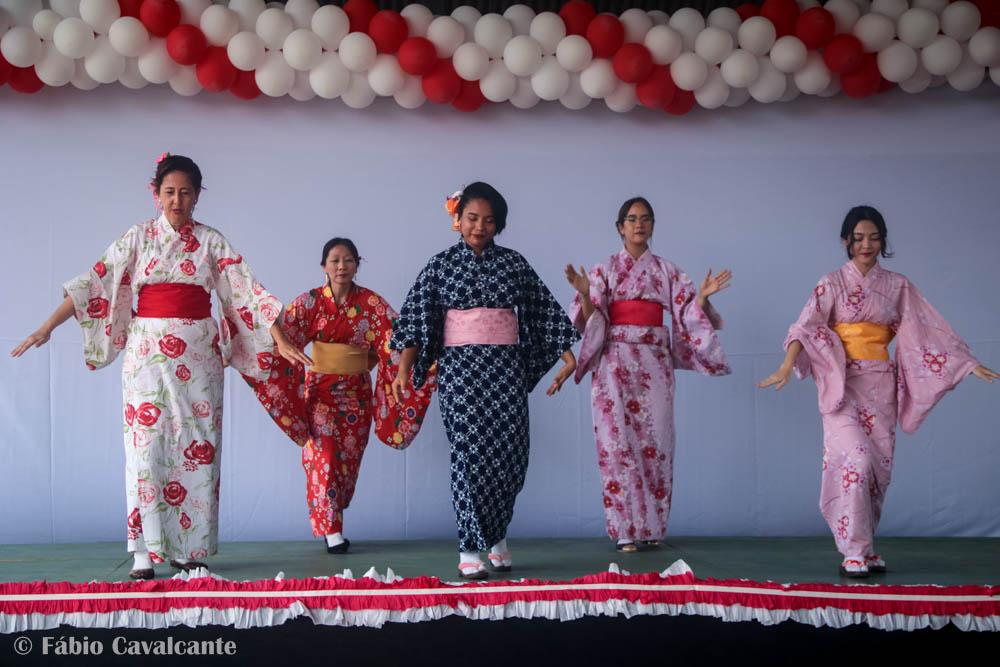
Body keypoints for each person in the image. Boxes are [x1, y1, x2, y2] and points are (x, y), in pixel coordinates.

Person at [10, 154, 307, 580]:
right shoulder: (138, 237)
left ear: (198, 195)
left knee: (196, 446)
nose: (177, 200)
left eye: (186, 192)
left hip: (200, 356)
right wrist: (47, 327)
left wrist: (279, 338)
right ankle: (143, 553)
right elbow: (94, 283)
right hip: (147, 354)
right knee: (145, 448)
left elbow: (245, 292)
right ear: (156, 194)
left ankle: (190, 550)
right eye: (169, 192)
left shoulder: (211, 242)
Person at [758, 205, 999, 577]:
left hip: (880, 384)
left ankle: (866, 547)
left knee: (877, 471)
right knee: (856, 460)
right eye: (858, 238)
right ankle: (852, 550)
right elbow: (805, 328)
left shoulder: (897, 285)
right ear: (846, 242)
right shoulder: (831, 283)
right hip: (842, 385)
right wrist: (786, 365)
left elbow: (926, 331)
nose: (866, 244)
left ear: (882, 240)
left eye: (873, 237)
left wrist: (965, 364)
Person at [389, 182, 580, 579]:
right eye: (472, 218)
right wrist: (404, 367)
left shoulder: (513, 264)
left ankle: (497, 536)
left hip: (505, 369)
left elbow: (542, 311)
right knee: (470, 454)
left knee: (511, 454)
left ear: (499, 225)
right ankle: (469, 544)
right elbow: (416, 322)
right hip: (460, 371)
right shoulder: (440, 266)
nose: (480, 226)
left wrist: (567, 355)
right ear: (457, 220)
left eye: (489, 220)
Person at [244, 237, 435, 554]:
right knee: (325, 455)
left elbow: (400, 337)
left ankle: (334, 515)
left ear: (357, 264)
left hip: (357, 394)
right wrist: (276, 344)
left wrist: (413, 366)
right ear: (323, 266)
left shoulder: (371, 304)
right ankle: (332, 530)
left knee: (346, 461)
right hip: (320, 392)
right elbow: (281, 330)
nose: (341, 266)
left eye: (348, 260)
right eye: (334, 260)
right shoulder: (311, 302)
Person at [565, 196, 732, 553]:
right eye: (632, 219)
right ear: (620, 227)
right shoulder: (603, 269)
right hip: (614, 362)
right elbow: (590, 317)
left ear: (653, 225)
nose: (639, 224)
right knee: (616, 444)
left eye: (646, 219)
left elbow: (687, 314)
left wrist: (701, 299)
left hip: (654, 363)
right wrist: (584, 294)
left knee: (657, 441)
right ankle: (625, 529)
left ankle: (653, 526)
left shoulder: (669, 271)